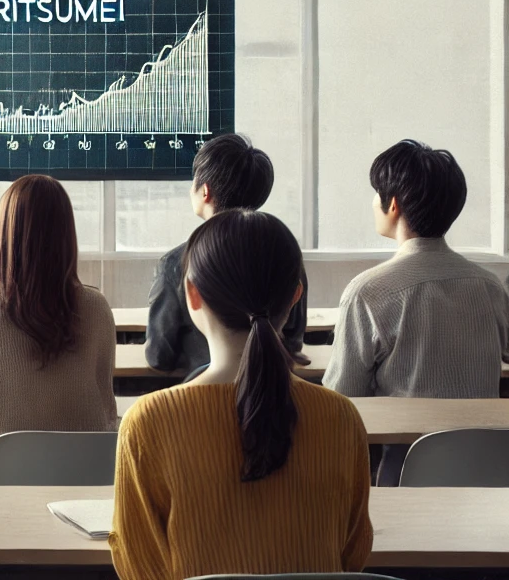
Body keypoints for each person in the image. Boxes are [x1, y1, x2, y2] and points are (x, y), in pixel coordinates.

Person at [111, 210, 371, 579]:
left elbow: (139, 568)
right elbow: (352, 554)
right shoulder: (341, 417)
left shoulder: (149, 422)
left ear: (192, 294)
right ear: (296, 296)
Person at [0, 174, 116, 484]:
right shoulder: (97, 307)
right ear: (67, 235)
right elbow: (105, 403)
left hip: (1, 481)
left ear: (4, 234)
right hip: (89, 482)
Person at [324, 140, 509, 399]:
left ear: (393, 204)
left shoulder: (367, 291)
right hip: (487, 440)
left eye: (378, 191)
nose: (375, 200)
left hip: (404, 440)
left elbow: (342, 395)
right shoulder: (490, 286)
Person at [145, 133, 308, 375]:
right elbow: (293, 341)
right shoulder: (284, 253)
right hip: (278, 389)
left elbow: (159, 356)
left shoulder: (176, 264)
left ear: (205, 191)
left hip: (201, 393)